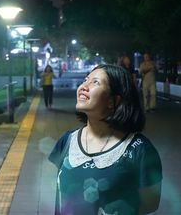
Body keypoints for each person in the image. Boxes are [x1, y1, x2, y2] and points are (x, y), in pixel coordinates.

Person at [49, 64, 162, 215]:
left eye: (95, 82)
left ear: (113, 101)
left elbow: (150, 203)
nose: (83, 86)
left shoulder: (140, 149)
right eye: (85, 80)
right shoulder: (67, 141)